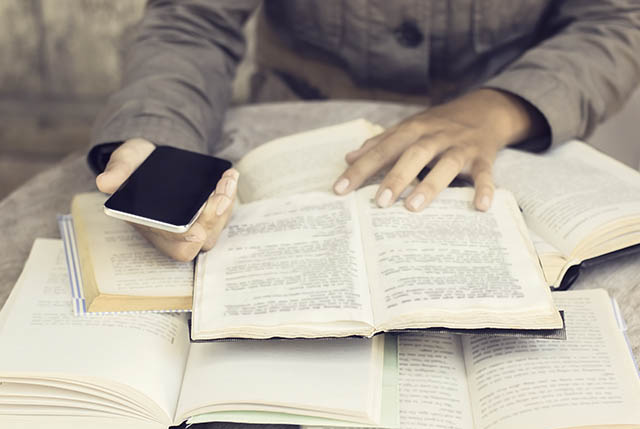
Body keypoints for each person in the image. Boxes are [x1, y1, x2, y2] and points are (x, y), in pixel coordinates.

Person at [88, 1, 640, 261]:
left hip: (510, 137)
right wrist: (159, 145)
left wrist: (500, 108)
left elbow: (617, 19)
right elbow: (194, 20)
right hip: (289, 138)